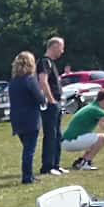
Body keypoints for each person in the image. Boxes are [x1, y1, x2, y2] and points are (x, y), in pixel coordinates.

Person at [61, 88, 104, 170]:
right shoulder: (95, 109)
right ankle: (86, 163)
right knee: (102, 138)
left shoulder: (92, 107)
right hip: (70, 141)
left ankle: (81, 162)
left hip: (66, 141)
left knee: (97, 139)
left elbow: (103, 126)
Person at [7, 52, 46, 184]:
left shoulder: (13, 82)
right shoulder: (30, 79)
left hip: (17, 119)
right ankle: (27, 177)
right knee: (29, 150)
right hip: (30, 117)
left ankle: (29, 175)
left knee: (27, 148)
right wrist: (43, 98)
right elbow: (39, 98)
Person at [38, 36, 66, 175]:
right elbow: (43, 81)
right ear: (54, 46)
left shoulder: (52, 63)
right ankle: (47, 166)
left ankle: (56, 164)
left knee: (57, 134)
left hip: (57, 102)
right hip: (51, 104)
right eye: (61, 47)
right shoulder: (44, 62)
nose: (62, 51)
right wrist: (51, 100)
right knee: (50, 134)